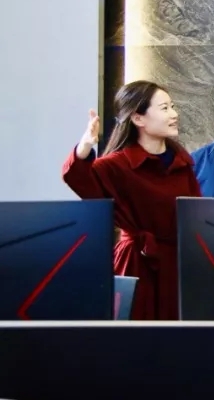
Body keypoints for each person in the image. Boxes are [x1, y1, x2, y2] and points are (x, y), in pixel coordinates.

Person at [61, 80, 202, 320]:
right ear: (138, 118)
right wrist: (84, 147)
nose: (174, 114)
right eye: (164, 108)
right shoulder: (116, 165)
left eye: (172, 107)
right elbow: (77, 177)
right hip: (136, 262)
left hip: (178, 264)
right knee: (134, 333)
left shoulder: (182, 162)